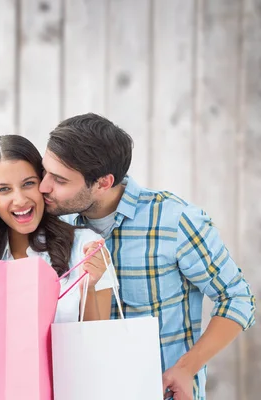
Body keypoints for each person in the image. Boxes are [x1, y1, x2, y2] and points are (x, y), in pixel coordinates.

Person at [39, 113, 256, 400]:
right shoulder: (59, 229)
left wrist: (186, 368)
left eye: (59, 180)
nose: (43, 187)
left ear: (104, 182)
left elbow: (237, 298)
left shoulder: (175, 220)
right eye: (45, 172)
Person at [0, 135, 117, 325]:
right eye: (4, 189)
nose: (21, 199)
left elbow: (96, 345)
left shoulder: (85, 247)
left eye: (28, 184)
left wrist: (88, 289)